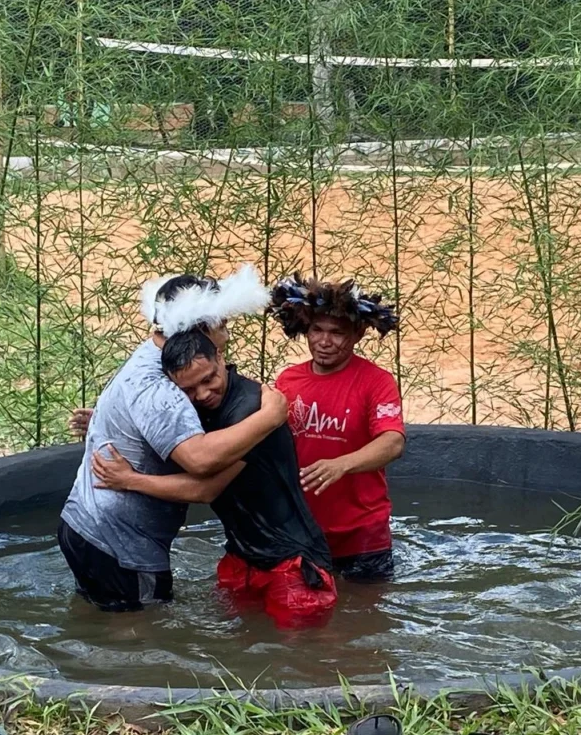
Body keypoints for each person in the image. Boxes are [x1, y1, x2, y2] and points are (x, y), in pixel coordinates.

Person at [58, 265, 289, 612]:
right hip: (120, 543)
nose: (226, 337)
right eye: (222, 327)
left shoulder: (152, 356)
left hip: (88, 526)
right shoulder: (159, 385)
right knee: (141, 642)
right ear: (198, 330)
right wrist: (270, 418)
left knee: (102, 628)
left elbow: (149, 419)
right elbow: (200, 462)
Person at [91, 329, 337, 630]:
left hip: (294, 563)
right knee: (242, 655)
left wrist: (129, 480)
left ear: (220, 357)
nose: (203, 395)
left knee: (304, 657)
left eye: (208, 379)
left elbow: (205, 489)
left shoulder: (253, 410)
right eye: (189, 390)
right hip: (242, 558)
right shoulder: (202, 407)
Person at [268, 274, 406, 583]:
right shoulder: (288, 380)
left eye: (336, 333)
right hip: (302, 527)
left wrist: (341, 465)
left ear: (357, 334)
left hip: (362, 533)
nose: (324, 341)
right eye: (317, 330)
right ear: (306, 328)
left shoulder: (377, 382)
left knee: (364, 619)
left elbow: (393, 442)